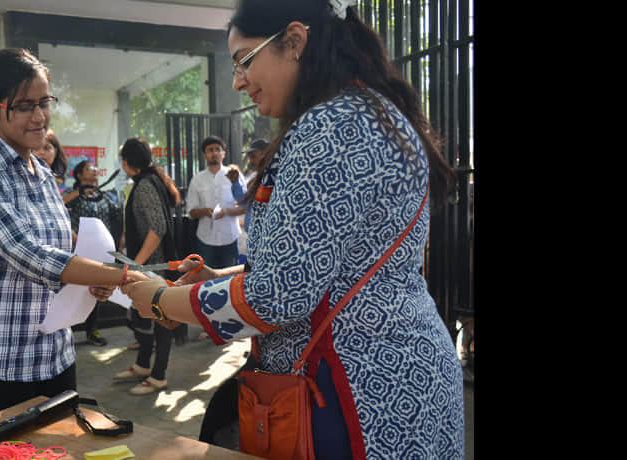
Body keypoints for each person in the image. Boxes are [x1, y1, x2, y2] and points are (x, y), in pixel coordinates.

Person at [121, 1, 463, 458]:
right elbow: (320, 271)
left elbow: (278, 297)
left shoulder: (330, 126)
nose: (238, 80)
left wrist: (159, 300)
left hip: (353, 390)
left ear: (295, 41)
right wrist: (219, 281)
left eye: (245, 59)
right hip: (397, 373)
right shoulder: (370, 112)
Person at [0, 48, 149, 423]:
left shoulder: (41, 171)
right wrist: (126, 279)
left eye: (44, 103)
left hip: (55, 357)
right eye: (24, 106)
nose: (40, 117)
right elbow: (27, 254)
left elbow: (63, 250)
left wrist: (97, 283)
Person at [112, 137, 180, 395]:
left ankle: (158, 376)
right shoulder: (149, 180)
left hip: (154, 267)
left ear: (128, 162)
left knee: (162, 322)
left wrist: (137, 264)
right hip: (150, 264)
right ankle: (143, 365)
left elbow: (158, 227)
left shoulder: (145, 186)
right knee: (145, 317)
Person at [63, 159, 123, 346]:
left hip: (99, 251)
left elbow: (117, 216)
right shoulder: (70, 195)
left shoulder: (103, 196)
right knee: (70, 290)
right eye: (90, 169)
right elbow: (61, 213)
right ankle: (65, 331)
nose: (95, 171)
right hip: (75, 250)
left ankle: (92, 330)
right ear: (79, 175)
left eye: (96, 168)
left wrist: (119, 240)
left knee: (95, 290)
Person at [185, 135, 247, 270]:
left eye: (218, 150)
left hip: (229, 237)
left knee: (230, 279)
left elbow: (244, 206)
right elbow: (191, 211)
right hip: (205, 239)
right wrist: (205, 211)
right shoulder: (197, 180)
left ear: (223, 154)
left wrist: (226, 211)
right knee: (204, 279)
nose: (214, 153)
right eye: (210, 150)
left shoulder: (234, 175)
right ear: (204, 155)